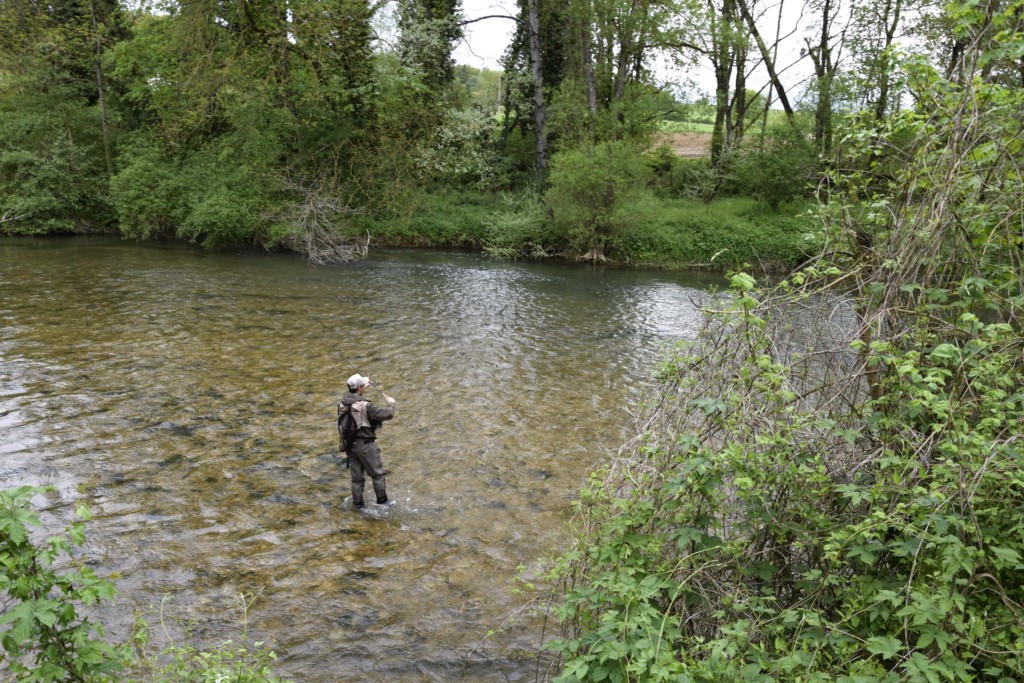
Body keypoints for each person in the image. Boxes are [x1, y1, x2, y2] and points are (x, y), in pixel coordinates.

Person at [338, 373, 397, 509]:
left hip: (349, 446)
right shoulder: (366, 406)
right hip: (366, 445)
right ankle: (383, 502)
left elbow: (355, 399)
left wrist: (364, 384)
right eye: (362, 386)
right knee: (378, 474)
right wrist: (391, 404)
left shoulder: (342, 404)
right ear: (359, 388)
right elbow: (387, 414)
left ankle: (358, 506)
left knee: (357, 479)